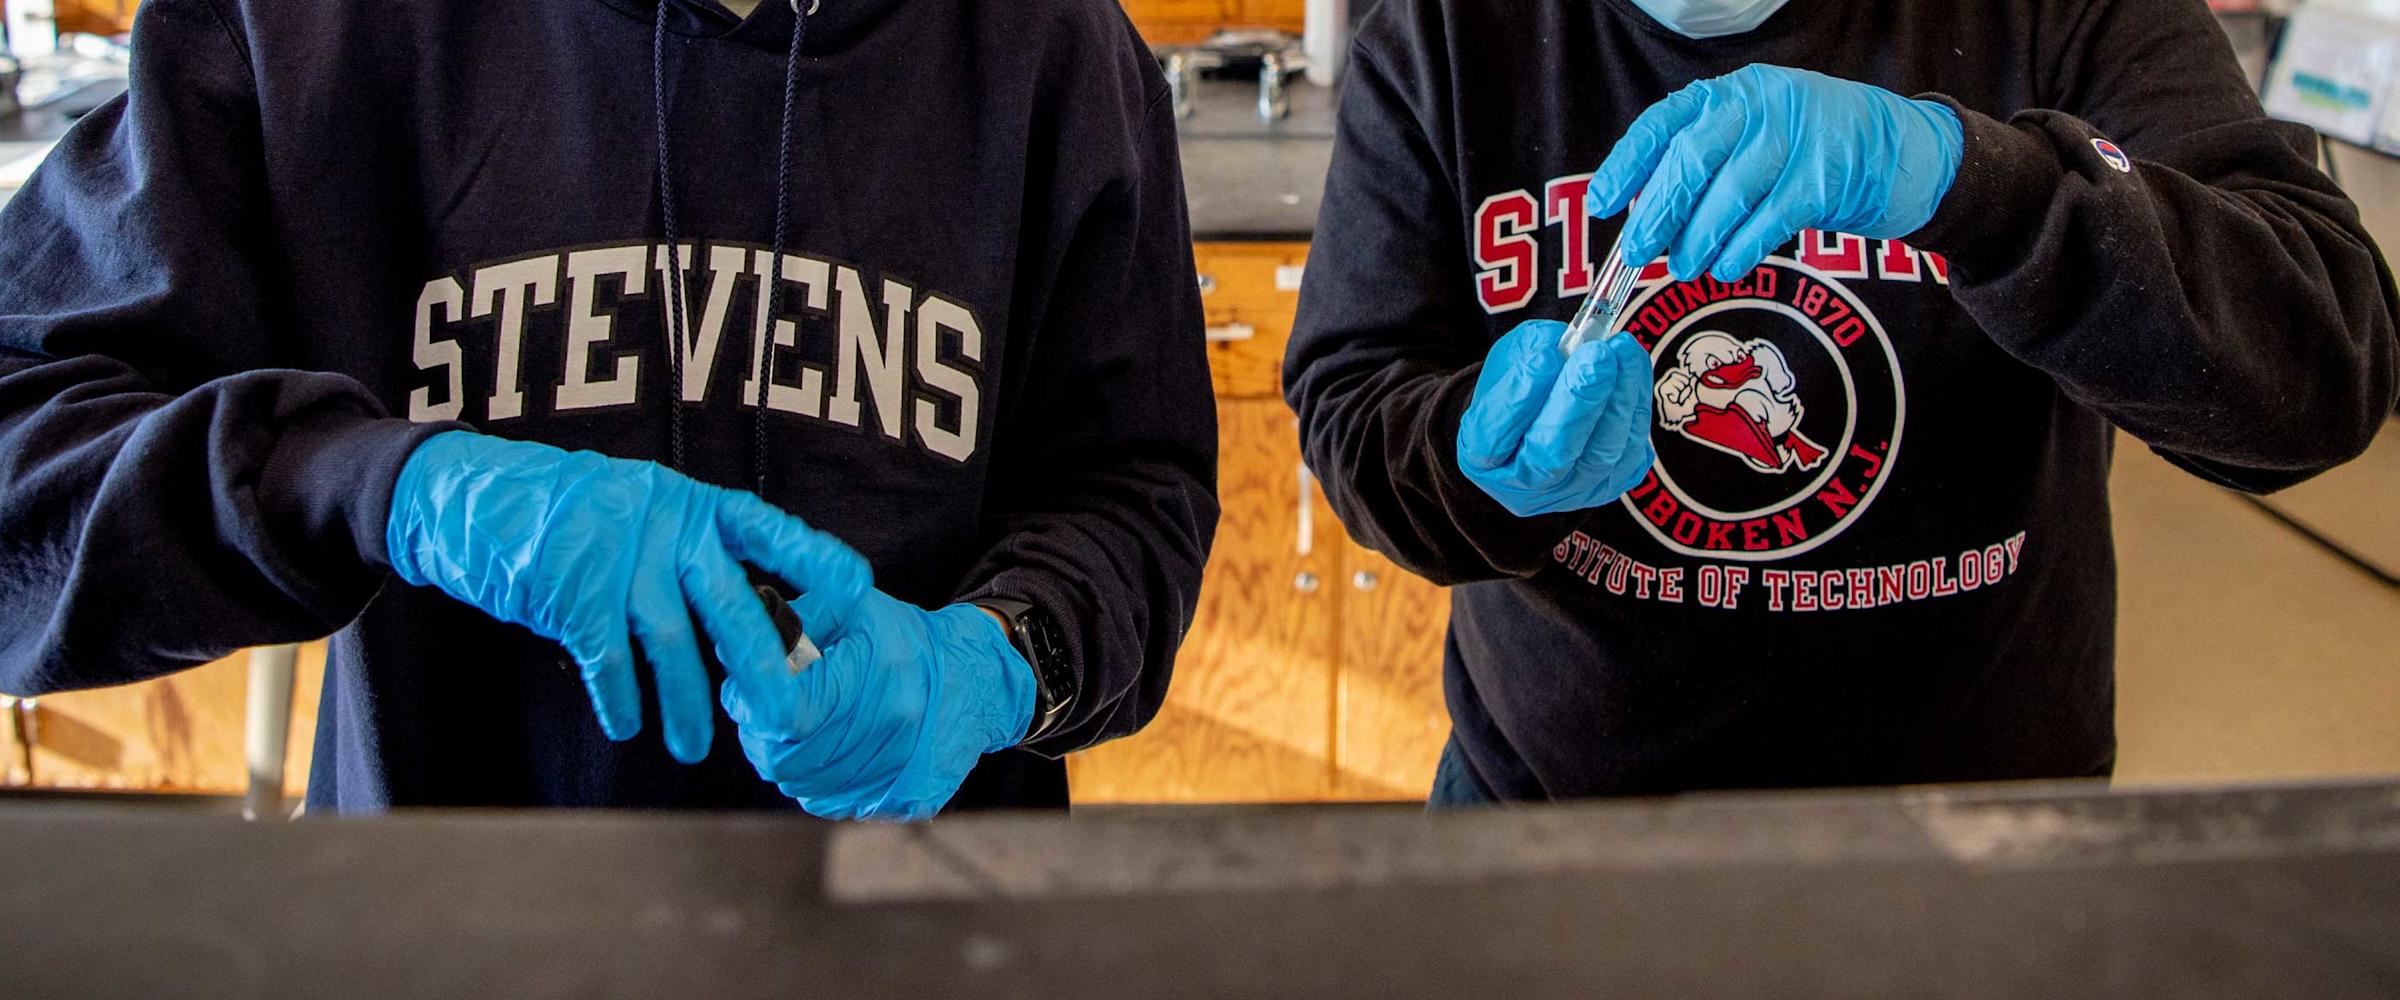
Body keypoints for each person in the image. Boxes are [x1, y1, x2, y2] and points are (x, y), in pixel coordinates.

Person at [0, 0, 1218, 820]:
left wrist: (1003, 661)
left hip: (922, 924)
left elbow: (1134, 491)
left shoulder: (1055, 46)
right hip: (456, 930)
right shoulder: (310, 30)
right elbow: (24, 454)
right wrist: (388, 489)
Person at [1286, 0, 2397, 805]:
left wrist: (1973, 186)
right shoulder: (1441, 35)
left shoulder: (2066, 13)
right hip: (1554, 806)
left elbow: (2322, 364)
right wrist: (1468, 464)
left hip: (1981, 828)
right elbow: (1351, 392)